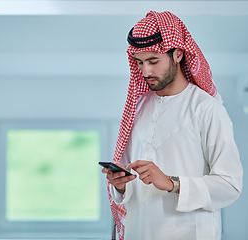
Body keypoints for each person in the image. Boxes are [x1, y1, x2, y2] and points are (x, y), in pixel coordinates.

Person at [102, 11, 243, 240]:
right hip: (139, 232)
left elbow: (230, 186)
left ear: (177, 54)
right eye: (139, 62)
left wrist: (171, 183)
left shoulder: (207, 109)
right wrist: (119, 185)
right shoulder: (138, 108)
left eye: (153, 61)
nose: (146, 71)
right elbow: (129, 177)